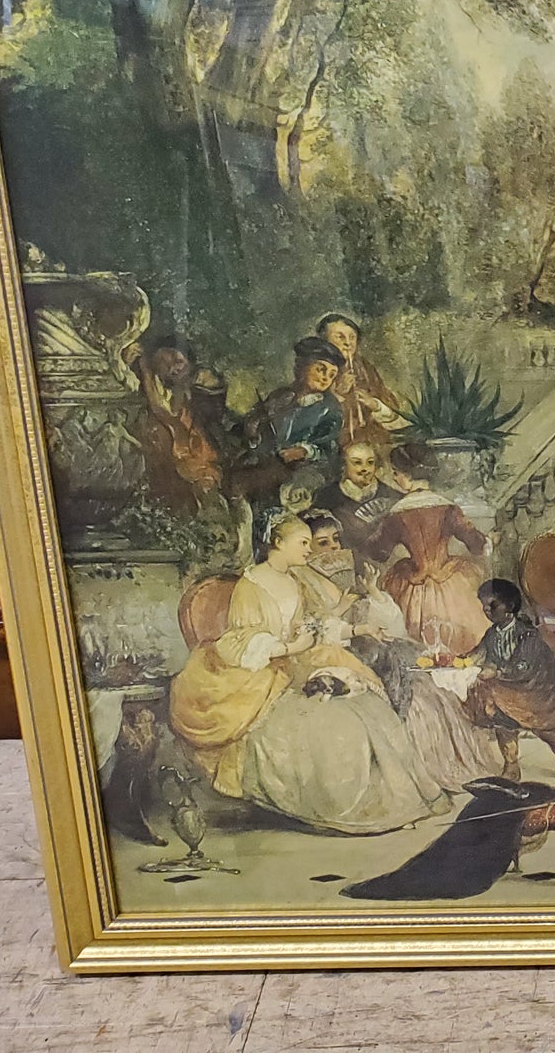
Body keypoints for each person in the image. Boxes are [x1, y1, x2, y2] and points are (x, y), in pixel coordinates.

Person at [167, 514, 442, 833]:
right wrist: (288, 648)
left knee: (371, 710)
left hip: (299, 662)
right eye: (303, 543)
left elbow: (314, 624)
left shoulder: (295, 580)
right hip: (258, 677)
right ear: (278, 543)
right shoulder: (250, 585)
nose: (309, 551)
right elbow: (239, 640)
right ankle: (345, 808)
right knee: (334, 725)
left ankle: (396, 801)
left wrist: (359, 629)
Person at [465, 579, 555, 782]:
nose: (486, 610)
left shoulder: (528, 634)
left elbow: (524, 665)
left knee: (551, 730)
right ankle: (511, 765)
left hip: (537, 689)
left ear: (510, 607)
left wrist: (497, 671)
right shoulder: (491, 634)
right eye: (484, 605)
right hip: (507, 691)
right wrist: (460, 661)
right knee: (504, 724)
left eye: (493, 605)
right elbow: (478, 654)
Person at [378, 446, 494, 653]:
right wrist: (489, 540)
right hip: (450, 581)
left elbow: (379, 551)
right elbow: (476, 543)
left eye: (396, 473)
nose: (395, 479)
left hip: (413, 585)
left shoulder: (396, 514)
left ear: (407, 475)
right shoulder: (447, 508)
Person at [233, 336, 348, 502]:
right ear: (300, 366)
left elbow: (328, 449)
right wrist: (252, 432)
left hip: (303, 472)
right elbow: (261, 433)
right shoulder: (280, 396)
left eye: (332, 375)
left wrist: (302, 451)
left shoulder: (329, 409)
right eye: (320, 369)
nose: (325, 378)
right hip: (266, 463)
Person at [129, 332, 228, 516]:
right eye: (167, 360)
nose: (173, 367)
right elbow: (160, 409)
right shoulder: (149, 375)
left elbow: (173, 411)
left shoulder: (185, 386)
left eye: (179, 362)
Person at [315, 313, 408, 454]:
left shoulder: (364, 368)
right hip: (335, 448)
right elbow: (312, 418)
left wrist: (375, 404)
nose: (348, 343)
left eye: (352, 337)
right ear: (325, 341)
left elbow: (392, 408)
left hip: (372, 444)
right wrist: (337, 396)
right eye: (340, 337)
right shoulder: (317, 369)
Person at [313, 441, 404, 556]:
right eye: (357, 463)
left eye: (370, 462)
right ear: (344, 465)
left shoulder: (392, 496)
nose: (365, 468)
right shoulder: (325, 497)